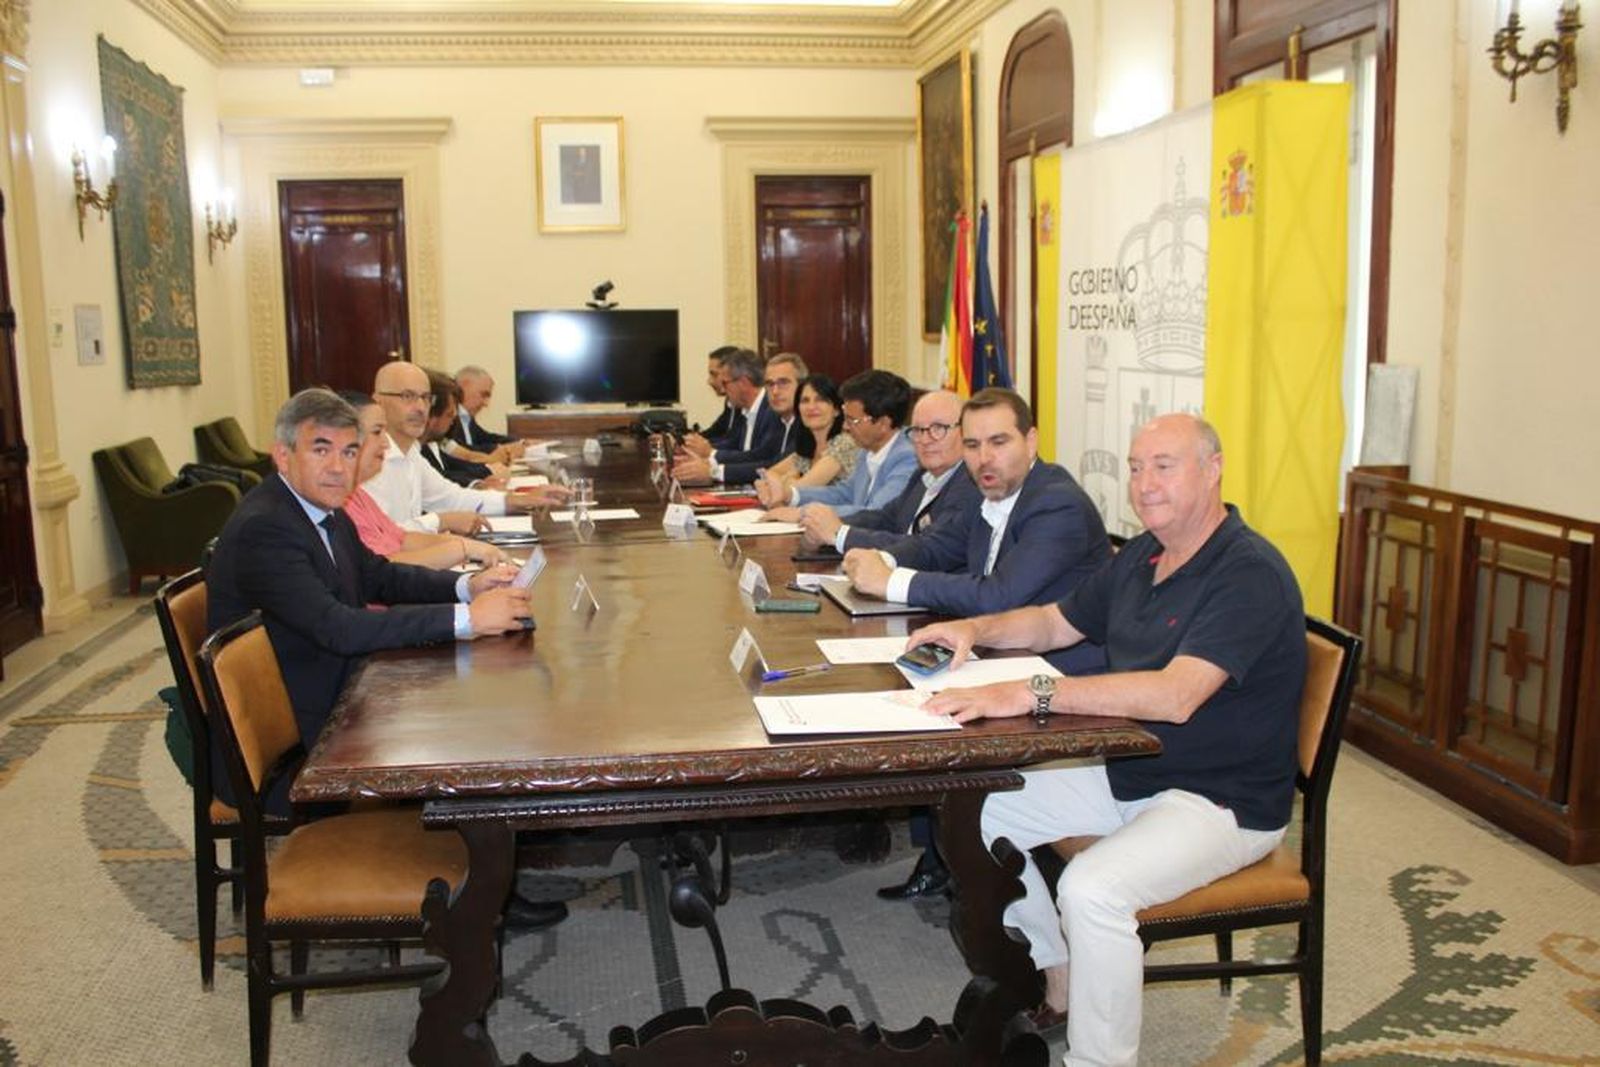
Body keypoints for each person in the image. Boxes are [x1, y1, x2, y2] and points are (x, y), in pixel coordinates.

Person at [910, 413, 1307, 1066]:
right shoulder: (1143, 557)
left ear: (1213, 470)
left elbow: (1176, 695)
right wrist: (971, 629)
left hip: (1221, 801)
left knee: (1092, 888)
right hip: (1136, 769)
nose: (1144, 483)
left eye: (1164, 465)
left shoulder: (1248, 572)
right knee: (979, 808)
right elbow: (1051, 621)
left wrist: (1030, 695)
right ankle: (1057, 964)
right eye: (1134, 466)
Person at [205, 389, 532, 804]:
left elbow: (379, 577)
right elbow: (337, 627)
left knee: (476, 701)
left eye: (349, 451)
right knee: (469, 725)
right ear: (283, 456)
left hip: (334, 690)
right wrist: (468, 619)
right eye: (321, 449)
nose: (338, 468)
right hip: (301, 740)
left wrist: (466, 587)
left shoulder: (322, 507)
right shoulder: (266, 528)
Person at [842, 388, 1110, 648]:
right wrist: (881, 560)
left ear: (1030, 442)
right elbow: (936, 546)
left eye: (998, 442)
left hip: (1056, 669)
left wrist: (890, 581)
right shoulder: (986, 489)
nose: (984, 458)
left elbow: (998, 596)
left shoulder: (1058, 505)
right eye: (972, 445)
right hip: (991, 648)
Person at [363, 361, 568, 534]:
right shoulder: (368, 460)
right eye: (407, 396)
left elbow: (452, 498)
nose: (420, 407)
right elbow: (383, 537)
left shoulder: (411, 453)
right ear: (378, 401)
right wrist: (441, 521)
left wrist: (516, 500)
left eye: (426, 398)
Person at [338, 392, 507, 570]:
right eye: (377, 432)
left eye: (426, 398)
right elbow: (381, 568)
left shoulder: (359, 495)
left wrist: (462, 545)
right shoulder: (340, 501)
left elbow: (402, 538)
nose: (386, 444)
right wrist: (460, 549)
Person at [797, 388, 976, 553]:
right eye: (918, 430)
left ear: (966, 431)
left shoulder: (970, 485)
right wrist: (827, 526)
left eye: (938, 429)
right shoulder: (923, 476)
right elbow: (884, 518)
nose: (925, 439)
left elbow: (927, 547)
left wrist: (840, 534)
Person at [756, 368, 917, 520]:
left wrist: (802, 513)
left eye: (852, 420)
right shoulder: (867, 450)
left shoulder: (907, 458)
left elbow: (875, 512)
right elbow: (845, 493)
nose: (845, 426)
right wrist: (790, 494)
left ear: (883, 423)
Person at [672, 352, 805, 484]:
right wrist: (706, 460)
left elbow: (769, 463)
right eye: (770, 384)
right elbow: (737, 445)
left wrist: (713, 468)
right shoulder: (780, 419)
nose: (775, 391)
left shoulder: (804, 424)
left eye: (783, 383)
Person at [758, 374, 860, 492]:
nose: (811, 407)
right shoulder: (808, 447)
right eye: (805, 401)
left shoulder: (844, 444)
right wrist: (788, 480)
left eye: (820, 400)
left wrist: (789, 479)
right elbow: (768, 475)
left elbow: (800, 490)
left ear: (836, 410)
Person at [420, 370, 502, 488]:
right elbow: (439, 478)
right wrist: (486, 473)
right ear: (432, 416)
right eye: (449, 414)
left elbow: (450, 464)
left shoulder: (429, 443)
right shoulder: (414, 446)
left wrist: (488, 470)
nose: (453, 419)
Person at [449, 364, 521, 455]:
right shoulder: (447, 417)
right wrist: (503, 449)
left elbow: (486, 437)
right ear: (463, 387)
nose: (486, 404)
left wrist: (521, 442)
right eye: (484, 395)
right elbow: (461, 450)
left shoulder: (466, 417)